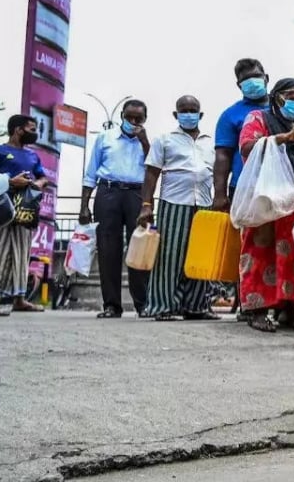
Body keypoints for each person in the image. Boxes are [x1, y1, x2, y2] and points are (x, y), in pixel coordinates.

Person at [237, 78, 294, 333]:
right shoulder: (258, 117)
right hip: (267, 199)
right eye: (293, 97)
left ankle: (289, 309)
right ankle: (256, 309)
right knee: (261, 250)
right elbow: (248, 146)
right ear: (277, 97)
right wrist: (282, 138)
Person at [137, 96, 219, 321]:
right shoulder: (164, 139)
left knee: (201, 257)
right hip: (173, 202)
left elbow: (217, 171)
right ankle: (162, 306)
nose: (189, 114)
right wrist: (146, 205)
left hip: (203, 204)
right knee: (169, 257)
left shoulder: (210, 141)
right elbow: (152, 172)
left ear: (200, 114)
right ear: (176, 114)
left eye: (193, 110)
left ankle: (196, 306)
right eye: (184, 110)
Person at [82, 100, 151, 319]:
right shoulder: (105, 138)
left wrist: (145, 142)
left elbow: (155, 169)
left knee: (140, 249)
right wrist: (84, 205)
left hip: (137, 195)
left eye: (138, 118)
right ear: (121, 115)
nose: (133, 122)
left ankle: (143, 304)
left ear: (144, 119)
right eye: (129, 117)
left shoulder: (149, 142)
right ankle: (111, 305)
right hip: (108, 192)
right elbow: (91, 173)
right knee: (108, 249)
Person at [212, 58, 269, 320]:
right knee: (248, 247)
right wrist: (220, 194)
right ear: (239, 85)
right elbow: (223, 157)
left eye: (256, 77)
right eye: (247, 80)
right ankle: (248, 303)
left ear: (266, 77)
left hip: (279, 188)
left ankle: (281, 305)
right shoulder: (230, 115)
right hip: (243, 188)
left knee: (278, 245)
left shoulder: (282, 108)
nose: (253, 83)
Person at [0, 115, 50, 316]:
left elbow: (43, 177)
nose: (35, 132)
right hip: (1, 207)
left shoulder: (32, 156)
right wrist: (10, 181)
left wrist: (39, 183)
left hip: (26, 209)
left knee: (22, 253)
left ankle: (19, 299)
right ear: (18, 129)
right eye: (31, 128)